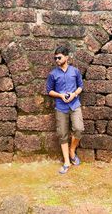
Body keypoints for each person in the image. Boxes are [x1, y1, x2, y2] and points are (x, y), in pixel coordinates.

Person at [46, 46, 84, 174]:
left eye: (59, 57)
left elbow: (80, 86)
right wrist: (60, 95)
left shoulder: (75, 71)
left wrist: (74, 94)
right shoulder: (53, 74)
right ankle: (67, 161)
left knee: (79, 129)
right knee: (62, 134)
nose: (57, 60)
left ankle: (72, 150)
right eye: (55, 58)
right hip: (60, 107)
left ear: (67, 57)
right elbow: (49, 91)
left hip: (75, 105)